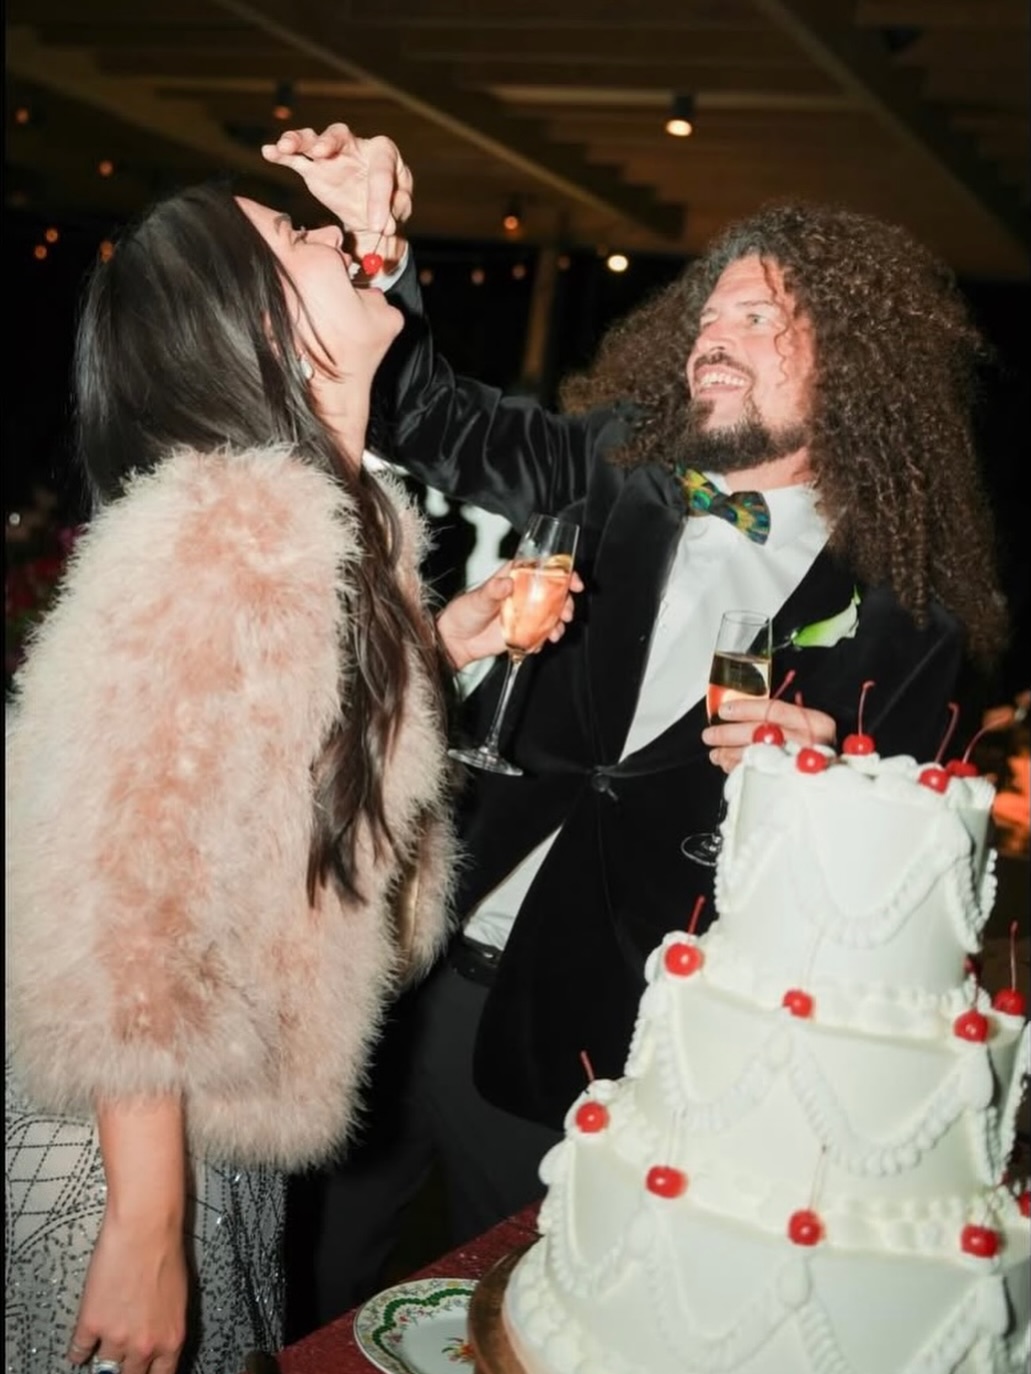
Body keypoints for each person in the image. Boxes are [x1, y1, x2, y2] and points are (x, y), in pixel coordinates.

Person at [260, 124, 1009, 1324]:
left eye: (761, 317)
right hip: (401, 963)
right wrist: (372, 242)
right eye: (710, 316)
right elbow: (430, 414)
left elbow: (896, 887)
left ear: (858, 363)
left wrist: (828, 781)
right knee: (294, 1289)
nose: (716, 335)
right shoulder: (613, 467)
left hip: (597, 1038)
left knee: (505, 1312)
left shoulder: (902, 624)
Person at [4, 179, 580, 1374]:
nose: (330, 236)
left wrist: (436, 649)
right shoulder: (224, 526)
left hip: (210, 1109)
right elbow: (117, 893)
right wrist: (148, 1221)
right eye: (289, 235)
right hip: (125, 1132)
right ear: (252, 324)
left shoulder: (331, 519)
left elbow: (272, 762)